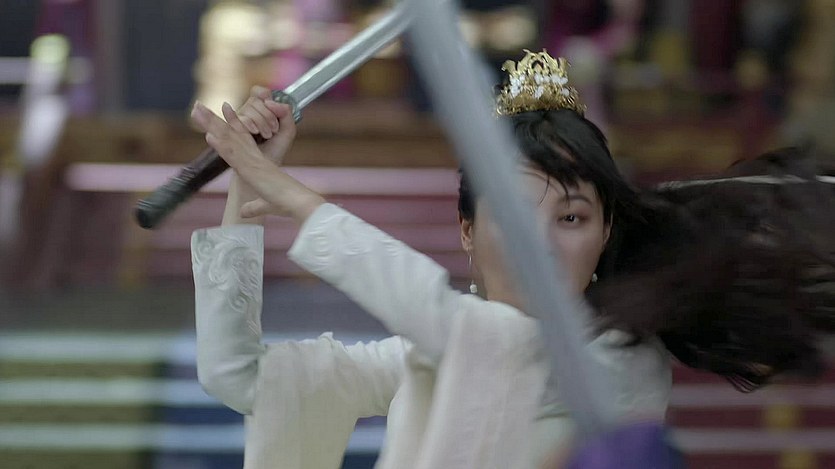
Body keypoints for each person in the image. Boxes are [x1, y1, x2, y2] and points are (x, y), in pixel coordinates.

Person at [190, 50, 671, 469]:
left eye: (570, 218)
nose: (539, 246)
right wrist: (249, 177)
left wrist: (302, 204)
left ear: (606, 232)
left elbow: (480, 343)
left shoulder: (624, 362)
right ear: (468, 231)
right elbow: (238, 375)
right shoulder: (428, 353)